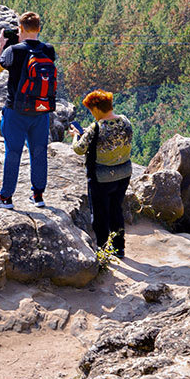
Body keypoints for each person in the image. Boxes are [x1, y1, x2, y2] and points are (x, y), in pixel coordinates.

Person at [0, 11, 56, 210]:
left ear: (20, 29)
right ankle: (38, 195)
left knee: (13, 152)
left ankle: (6, 198)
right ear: (39, 29)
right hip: (42, 109)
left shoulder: (14, 51)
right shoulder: (49, 50)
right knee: (39, 151)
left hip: (16, 111)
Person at [70, 90, 133, 259]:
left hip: (102, 177)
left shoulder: (96, 127)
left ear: (96, 109)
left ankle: (103, 250)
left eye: (91, 110)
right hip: (124, 174)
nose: (92, 113)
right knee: (116, 210)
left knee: (99, 215)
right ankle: (119, 249)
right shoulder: (125, 121)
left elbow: (79, 149)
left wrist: (76, 136)